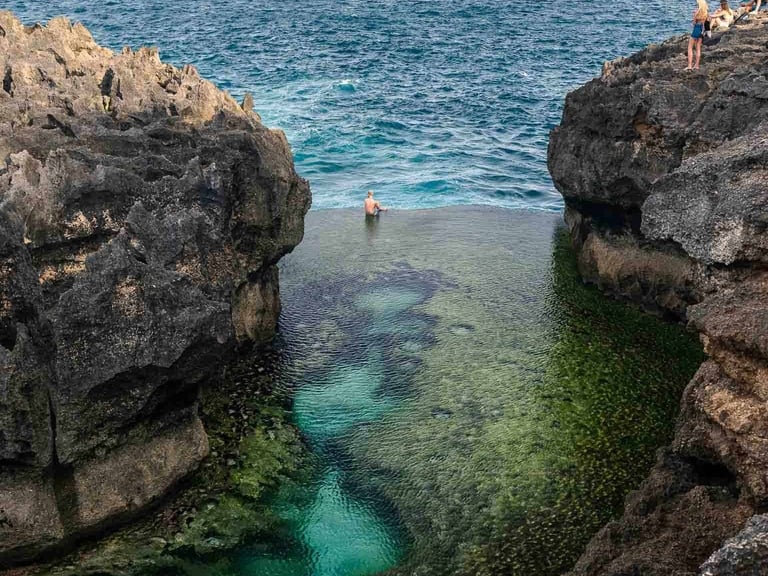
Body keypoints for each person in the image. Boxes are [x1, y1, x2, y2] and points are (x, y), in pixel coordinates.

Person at [687, 0, 709, 70]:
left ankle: (689, 66)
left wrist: (694, 15)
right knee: (698, 48)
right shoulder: (706, 13)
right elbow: (706, 23)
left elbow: (694, 23)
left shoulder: (697, 12)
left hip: (696, 29)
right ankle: (696, 65)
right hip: (701, 31)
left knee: (690, 47)